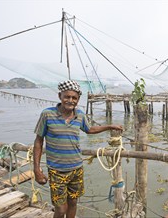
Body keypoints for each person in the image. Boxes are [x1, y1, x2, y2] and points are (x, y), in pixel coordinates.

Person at [33, 80, 122, 218]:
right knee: (61, 209)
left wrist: (109, 126)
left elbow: (90, 129)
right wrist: (36, 169)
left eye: (74, 98)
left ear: (78, 99)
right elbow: (38, 142)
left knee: (73, 202)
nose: (70, 100)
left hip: (76, 169)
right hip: (57, 171)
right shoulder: (47, 114)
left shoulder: (79, 115)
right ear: (60, 96)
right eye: (67, 97)